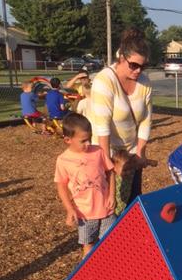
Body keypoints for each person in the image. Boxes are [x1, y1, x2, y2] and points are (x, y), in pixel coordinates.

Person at [89, 28, 156, 203]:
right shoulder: (104, 81)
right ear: (121, 58)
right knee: (110, 205)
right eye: (134, 65)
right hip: (107, 151)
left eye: (143, 66)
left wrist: (140, 153)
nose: (138, 71)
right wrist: (108, 166)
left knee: (133, 201)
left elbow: (145, 121)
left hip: (131, 152)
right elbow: (102, 129)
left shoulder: (145, 83)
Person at [54, 113, 115, 257]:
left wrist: (112, 195)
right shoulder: (63, 160)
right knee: (89, 244)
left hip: (106, 209)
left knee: (111, 241)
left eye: (90, 139)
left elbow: (110, 172)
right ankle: (90, 268)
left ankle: (109, 265)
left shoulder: (98, 151)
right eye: (83, 141)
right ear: (68, 140)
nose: (88, 143)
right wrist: (69, 209)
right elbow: (61, 186)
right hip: (84, 213)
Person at [112, 148, 137, 216]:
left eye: (129, 169)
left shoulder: (131, 174)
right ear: (114, 167)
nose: (128, 172)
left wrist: (150, 162)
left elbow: (138, 164)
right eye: (125, 170)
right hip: (114, 209)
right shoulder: (114, 177)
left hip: (124, 206)